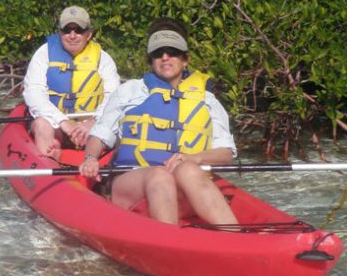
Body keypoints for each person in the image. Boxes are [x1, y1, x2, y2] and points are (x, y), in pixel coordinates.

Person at [79, 17, 238, 225]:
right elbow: (99, 136)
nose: (165, 58)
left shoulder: (207, 100)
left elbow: (226, 152)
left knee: (189, 169)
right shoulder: (129, 91)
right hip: (131, 182)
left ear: (185, 59)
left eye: (172, 52)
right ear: (151, 60)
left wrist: (194, 158)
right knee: (160, 174)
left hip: (181, 183)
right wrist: (91, 157)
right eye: (157, 53)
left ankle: (237, 237)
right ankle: (172, 245)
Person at [23, 6, 120, 159]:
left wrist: (93, 122)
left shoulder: (103, 58)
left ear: (88, 34)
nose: (72, 35)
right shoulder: (43, 54)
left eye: (78, 30)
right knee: (42, 124)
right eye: (67, 30)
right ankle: (51, 166)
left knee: (115, 126)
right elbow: (33, 92)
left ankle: (98, 170)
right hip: (58, 126)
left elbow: (114, 96)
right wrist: (64, 123)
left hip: (92, 126)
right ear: (60, 33)